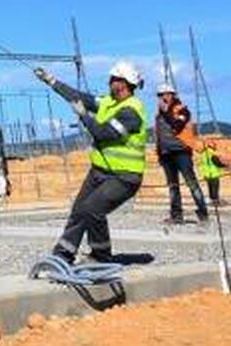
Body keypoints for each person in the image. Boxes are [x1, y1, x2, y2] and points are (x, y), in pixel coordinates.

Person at [33, 60, 147, 266]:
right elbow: (79, 97)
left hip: (124, 177)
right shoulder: (108, 102)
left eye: (113, 79)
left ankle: (100, 256)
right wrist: (51, 81)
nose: (109, 82)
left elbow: (103, 133)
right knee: (79, 210)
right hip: (100, 171)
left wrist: (84, 116)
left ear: (123, 83)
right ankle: (63, 254)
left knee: (94, 209)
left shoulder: (132, 111)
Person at [153, 83, 208, 223]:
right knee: (173, 186)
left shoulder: (183, 110)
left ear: (172, 95)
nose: (162, 98)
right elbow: (159, 135)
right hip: (166, 154)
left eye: (164, 94)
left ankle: (203, 213)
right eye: (160, 95)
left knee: (191, 183)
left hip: (181, 152)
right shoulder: (158, 115)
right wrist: (159, 153)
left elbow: (177, 126)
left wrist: (166, 112)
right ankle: (176, 215)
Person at [197, 141, 227, 210]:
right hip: (213, 173)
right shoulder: (212, 153)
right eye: (215, 145)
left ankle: (212, 199)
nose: (215, 147)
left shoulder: (203, 153)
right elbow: (217, 163)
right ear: (212, 146)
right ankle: (215, 201)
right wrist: (225, 166)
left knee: (210, 187)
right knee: (215, 188)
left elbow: (202, 164)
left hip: (207, 174)